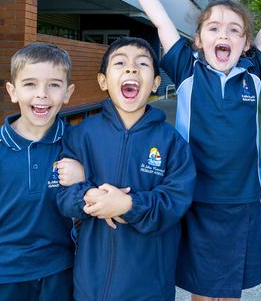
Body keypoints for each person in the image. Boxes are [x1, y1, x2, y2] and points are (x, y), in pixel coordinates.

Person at [110, 0, 261, 300]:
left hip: (243, 199)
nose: (224, 35)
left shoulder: (251, 71)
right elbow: (160, 19)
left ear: (246, 44)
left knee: (230, 289)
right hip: (196, 197)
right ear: (197, 40)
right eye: (214, 29)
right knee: (203, 289)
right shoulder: (187, 68)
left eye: (234, 30)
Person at [56, 37, 196, 301]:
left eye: (142, 64)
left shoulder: (172, 142)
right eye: (120, 63)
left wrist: (129, 205)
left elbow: (176, 201)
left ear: (155, 83)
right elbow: (62, 196)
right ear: (103, 81)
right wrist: (90, 195)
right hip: (91, 284)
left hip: (150, 285)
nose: (131, 69)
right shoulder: (81, 135)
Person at [0, 43, 77, 301]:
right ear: (13, 91)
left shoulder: (75, 142)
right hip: (4, 267)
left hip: (60, 267)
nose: (42, 94)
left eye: (54, 85)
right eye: (30, 84)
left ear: (68, 93)